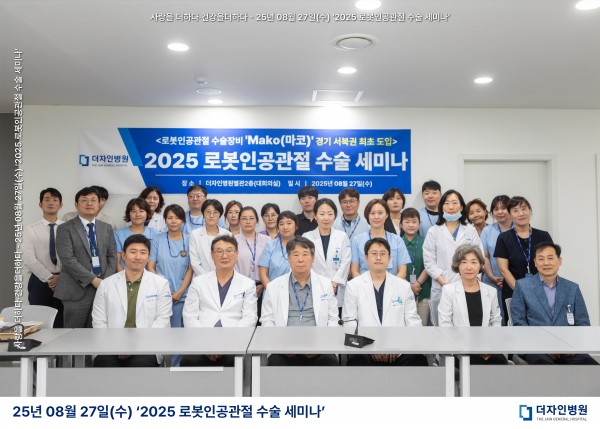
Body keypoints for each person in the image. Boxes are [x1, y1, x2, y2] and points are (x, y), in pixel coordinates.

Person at [343, 238, 427, 366]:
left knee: (418, 360)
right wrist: (370, 348)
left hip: (399, 350)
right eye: (374, 253)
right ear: (366, 257)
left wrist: (397, 347)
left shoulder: (403, 286)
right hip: (365, 351)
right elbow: (349, 324)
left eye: (383, 254)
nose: (378, 257)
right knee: (357, 360)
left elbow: (413, 322)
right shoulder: (353, 286)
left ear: (389, 258)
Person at [511, 242, 598, 365]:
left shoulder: (572, 288)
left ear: (559, 261)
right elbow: (519, 323)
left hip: (568, 348)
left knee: (591, 367)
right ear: (535, 263)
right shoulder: (522, 286)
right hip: (535, 348)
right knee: (546, 367)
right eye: (541, 259)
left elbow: (583, 323)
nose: (546, 263)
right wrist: (543, 346)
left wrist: (572, 346)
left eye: (550, 258)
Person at [91, 234, 172, 367]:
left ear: (149, 257)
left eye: (143, 252)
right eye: (133, 252)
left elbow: (162, 320)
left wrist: (136, 346)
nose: (138, 257)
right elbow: (99, 321)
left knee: (140, 366)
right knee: (105, 365)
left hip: (147, 345)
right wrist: (116, 346)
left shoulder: (161, 284)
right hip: (111, 345)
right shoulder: (106, 284)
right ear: (123, 255)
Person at [260, 237, 339, 366]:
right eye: (295, 255)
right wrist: (282, 346)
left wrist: (320, 345)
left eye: (305, 254)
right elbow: (267, 320)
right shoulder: (274, 286)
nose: (300, 259)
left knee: (330, 362)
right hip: (283, 348)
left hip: (319, 347)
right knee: (275, 363)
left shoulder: (325, 284)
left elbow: (333, 319)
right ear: (288, 258)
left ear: (313, 258)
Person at [182, 235, 258, 366]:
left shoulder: (248, 284)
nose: (224, 256)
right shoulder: (198, 282)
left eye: (229, 251)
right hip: (202, 342)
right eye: (219, 251)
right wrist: (206, 344)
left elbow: (249, 318)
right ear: (212, 255)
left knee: (236, 361)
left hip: (233, 342)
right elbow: (189, 316)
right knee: (189, 361)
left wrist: (226, 344)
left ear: (236, 254)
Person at [55, 186, 117, 328]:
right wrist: (93, 280)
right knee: (74, 333)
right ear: (76, 205)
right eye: (84, 200)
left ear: (99, 204)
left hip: (102, 288)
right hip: (75, 289)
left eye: (93, 200)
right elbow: (67, 260)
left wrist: (105, 282)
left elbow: (112, 255)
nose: (89, 203)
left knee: (98, 332)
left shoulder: (106, 227)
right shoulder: (65, 228)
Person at [438, 244, 507, 365]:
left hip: (486, 347)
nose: (469, 267)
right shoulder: (448, 291)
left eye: (474, 262)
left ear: (480, 265)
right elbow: (445, 325)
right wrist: (468, 347)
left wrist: (488, 346)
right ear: (457, 266)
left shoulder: (491, 291)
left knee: (500, 362)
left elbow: (496, 321)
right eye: (464, 262)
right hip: (459, 348)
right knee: (475, 363)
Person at [494, 196, 552, 323]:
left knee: (543, 325)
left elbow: (550, 264)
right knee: (517, 328)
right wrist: (521, 292)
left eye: (524, 209)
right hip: (514, 292)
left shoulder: (543, 236)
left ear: (530, 211)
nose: (521, 213)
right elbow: (503, 269)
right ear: (510, 215)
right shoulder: (504, 238)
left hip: (542, 291)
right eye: (515, 210)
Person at [423, 189, 483, 302]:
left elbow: (479, 258)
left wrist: (472, 281)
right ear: (441, 207)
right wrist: (444, 283)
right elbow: (429, 262)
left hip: (468, 285)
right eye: (447, 203)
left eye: (455, 203)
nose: (451, 207)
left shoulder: (470, 230)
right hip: (441, 286)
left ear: (461, 207)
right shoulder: (433, 231)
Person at [23, 188, 65, 327]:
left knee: (62, 321)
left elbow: (74, 256)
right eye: (47, 199)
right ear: (40, 204)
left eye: (55, 199)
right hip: (39, 281)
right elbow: (28, 258)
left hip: (65, 280)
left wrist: (61, 277)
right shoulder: (31, 229)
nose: (51, 202)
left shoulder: (68, 228)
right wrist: (50, 278)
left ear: (61, 205)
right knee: (39, 322)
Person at [302, 198, 351, 315]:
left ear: (334, 216)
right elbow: (305, 263)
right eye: (322, 214)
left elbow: (346, 262)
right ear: (315, 216)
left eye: (330, 214)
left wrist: (335, 282)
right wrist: (319, 283)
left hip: (336, 289)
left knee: (336, 318)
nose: (326, 218)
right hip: (314, 287)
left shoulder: (342, 236)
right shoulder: (307, 237)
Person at [147, 204, 192, 331]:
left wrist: (180, 292)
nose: (173, 221)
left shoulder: (190, 239)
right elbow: (151, 266)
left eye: (177, 218)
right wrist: (163, 289)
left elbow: (191, 268)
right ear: (165, 220)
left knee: (180, 331)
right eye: (170, 218)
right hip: (161, 293)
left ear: (183, 220)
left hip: (183, 294)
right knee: (161, 330)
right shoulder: (157, 239)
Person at [350, 199, 411, 279]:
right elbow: (354, 271)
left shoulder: (397, 240)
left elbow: (402, 271)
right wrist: (364, 285)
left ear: (387, 215)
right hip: (364, 285)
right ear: (367, 215)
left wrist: (391, 285)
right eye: (372, 213)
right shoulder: (357, 240)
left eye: (380, 213)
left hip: (392, 285)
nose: (376, 217)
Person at [480, 195, 512, 321]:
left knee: (513, 316)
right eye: (496, 209)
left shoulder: (518, 229)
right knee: (494, 316)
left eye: (503, 208)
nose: (500, 212)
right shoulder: (487, 231)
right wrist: (492, 277)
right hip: (492, 280)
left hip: (514, 280)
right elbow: (485, 256)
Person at [235, 206, 271, 312]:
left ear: (257, 220)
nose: (248, 222)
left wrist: (263, 286)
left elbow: (271, 265)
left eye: (251, 218)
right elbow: (232, 266)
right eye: (244, 218)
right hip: (240, 287)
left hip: (263, 286)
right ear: (239, 221)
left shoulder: (267, 240)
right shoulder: (233, 241)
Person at [400, 208, 431, 326]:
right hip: (402, 292)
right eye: (407, 222)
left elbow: (430, 265)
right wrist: (409, 286)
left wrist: (417, 283)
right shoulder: (397, 242)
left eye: (414, 221)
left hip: (423, 291)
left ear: (419, 223)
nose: (411, 225)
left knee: (421, 327)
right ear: (401, 225)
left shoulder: (426, 241)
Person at [114, 198, 159, 271]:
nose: (138, 214)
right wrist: (124, 277)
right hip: (126, 275)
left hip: (150, 275)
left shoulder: (156, 234)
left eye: (141, 211)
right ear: (129, 214)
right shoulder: (118, 234)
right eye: (134, 211)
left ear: (147, 213)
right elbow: (117, 262)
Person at [189, 199, 231, 276]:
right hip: (200, 279)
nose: (211, 216)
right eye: (208, 212)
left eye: (215, 212)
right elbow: (194, 263)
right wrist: (208, 278)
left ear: (220, 215)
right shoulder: (195, 234)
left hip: (223, 277)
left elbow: (230, 259)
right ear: (203, 214)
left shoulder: (228, 235)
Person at [258, 211, 297, 287]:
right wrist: (271, 290)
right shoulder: (270, 245)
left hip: (297, 290)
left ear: (296, 226)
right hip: (272, 289)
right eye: (281, 224)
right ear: (278, 227)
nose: (285, 227)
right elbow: (263, 273)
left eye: (289, 223)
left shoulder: (303, 245)